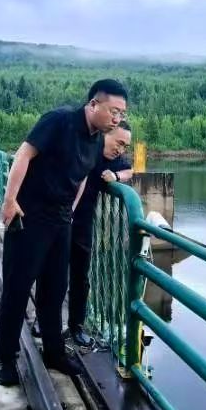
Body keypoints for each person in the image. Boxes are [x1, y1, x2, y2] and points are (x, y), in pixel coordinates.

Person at [0, 79, 129, 387]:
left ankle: (54, 351)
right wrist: (10, 200)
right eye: (114, 111)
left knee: (55, 290)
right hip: (29, 215)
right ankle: (5, 357)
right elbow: (24, 154)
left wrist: (71, 210)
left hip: (61, 219)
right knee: (17, 287)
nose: (117, 119)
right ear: (93, 104)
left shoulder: (96, 139)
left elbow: (82, 178)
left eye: (121, 114)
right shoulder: (59, 121)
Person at [66, 122, 133, 347]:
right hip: (60, 216)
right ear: (106, 134)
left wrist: (116, 176)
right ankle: (43, 321)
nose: (120, 149)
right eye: (119, 143)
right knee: (52, 273)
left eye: (125, 146)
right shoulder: (86, 147)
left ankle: (76, 327)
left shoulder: (114, 160)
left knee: (80, 277)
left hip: (83, 222)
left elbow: (130, 170)